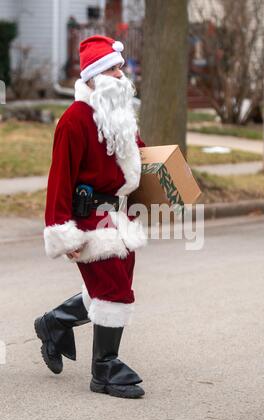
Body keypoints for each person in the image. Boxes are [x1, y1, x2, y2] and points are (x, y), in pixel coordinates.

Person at [34, 35, 147, 399]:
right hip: (87, 223)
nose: (122, 74)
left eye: (121, 67)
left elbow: (138, 158)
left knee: (106, 289)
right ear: (96, 76)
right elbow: (60, 178)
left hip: (119, 218)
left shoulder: (120, 116)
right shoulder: (74, 121)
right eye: (114, 68)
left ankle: (53, 323)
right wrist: (62, 231)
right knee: (114, 291)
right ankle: (104, 369)